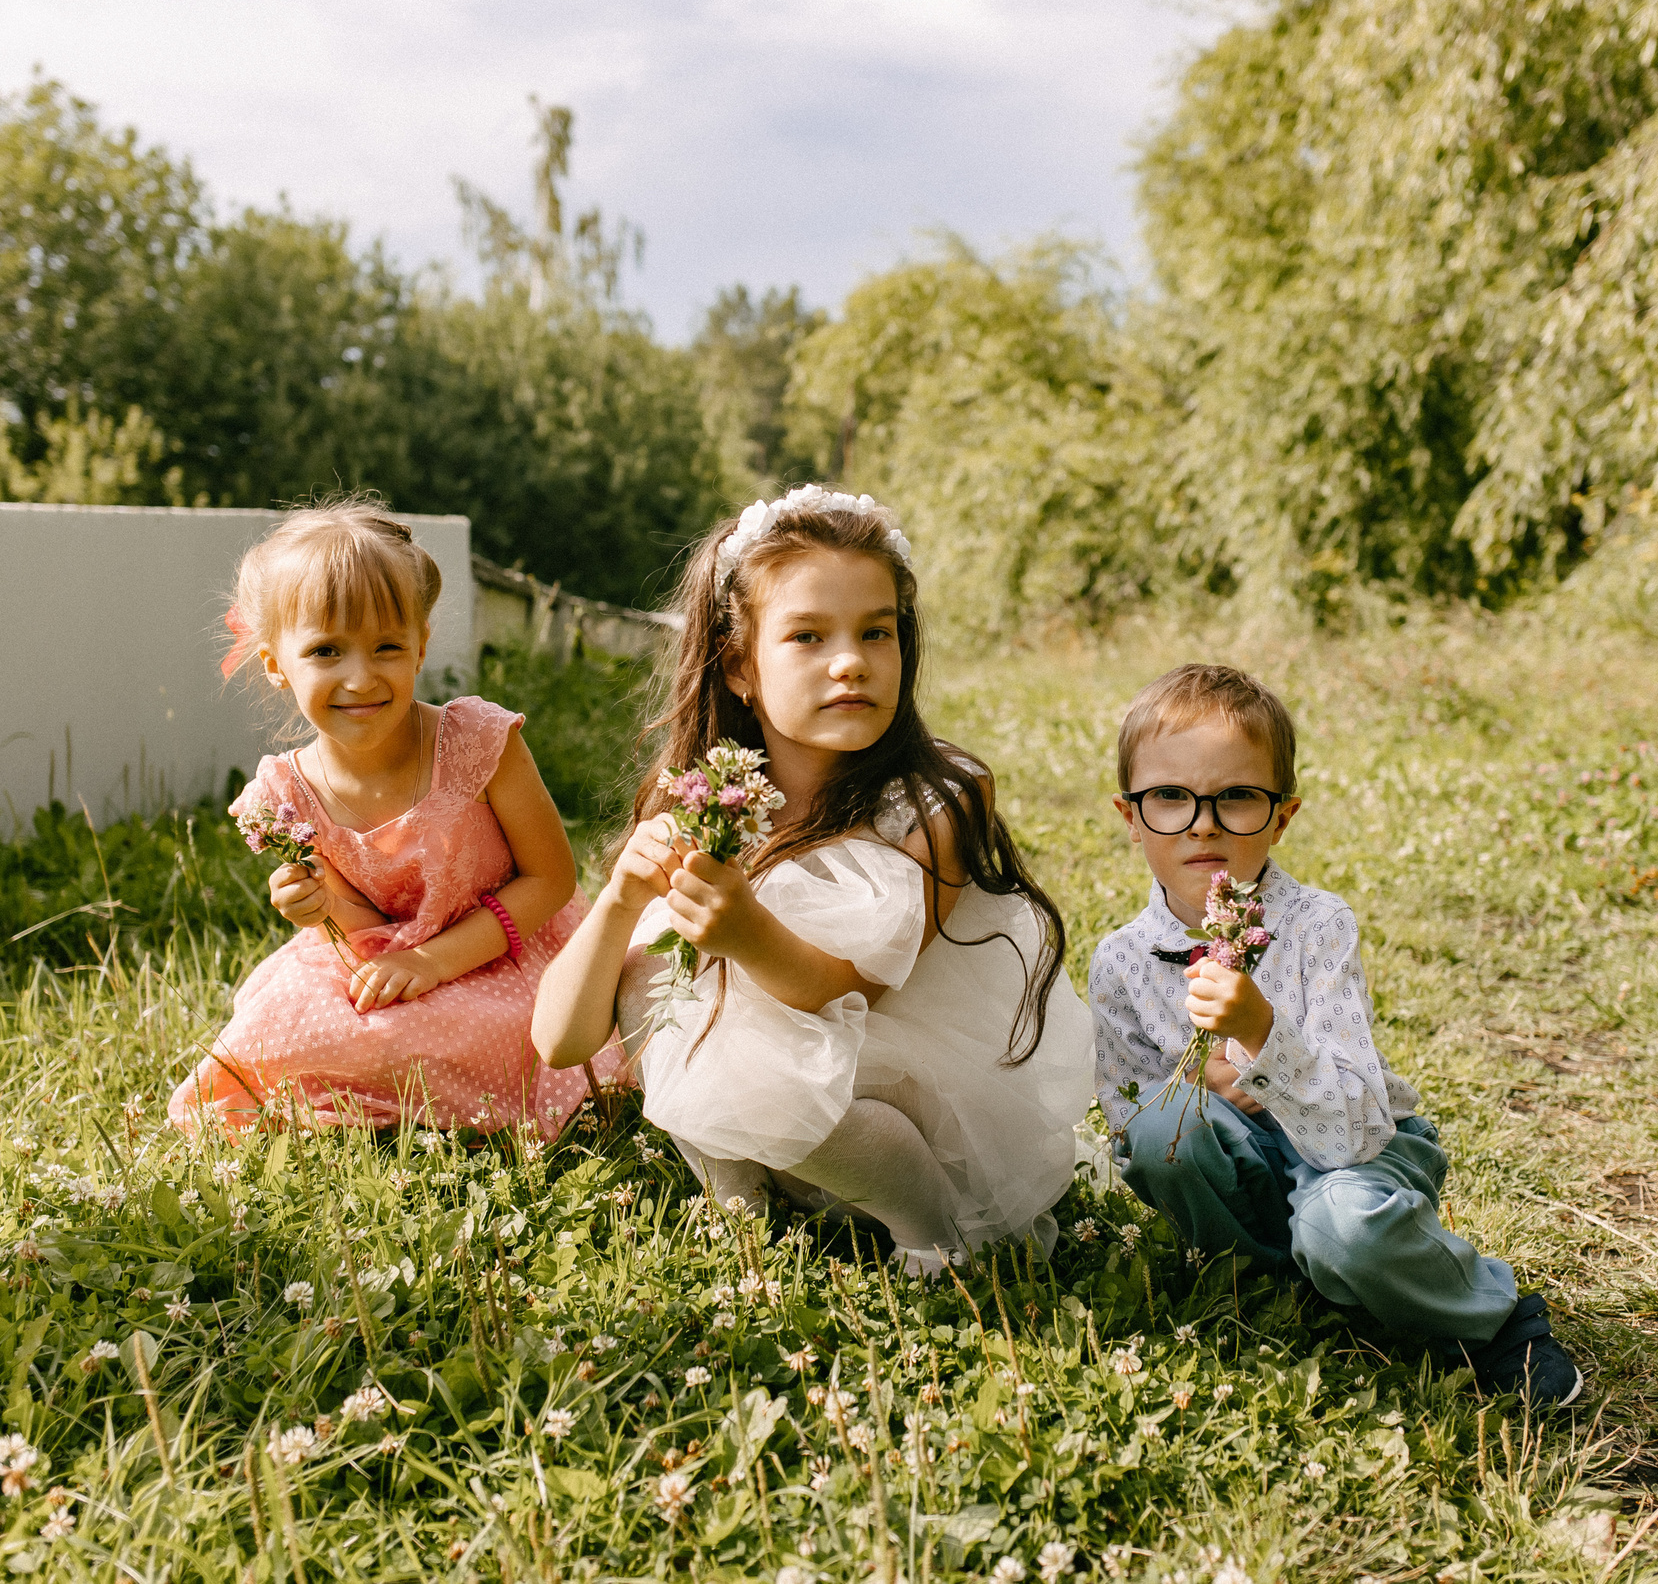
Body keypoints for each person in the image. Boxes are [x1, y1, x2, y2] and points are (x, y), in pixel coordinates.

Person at [533, 486, 1093, 1273]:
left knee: (758, 1049)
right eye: (807, 635)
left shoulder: (935, 803)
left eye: (877, 632)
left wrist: (743, 931)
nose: (850, 662)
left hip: (891, 1114)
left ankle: (932, 1234)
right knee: (647, 978)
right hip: (785, 1124)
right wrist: (624, 899)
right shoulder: (704, 801)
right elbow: (560, 1041)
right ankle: (743, 1207)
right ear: (738, 665)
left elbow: (849, 991)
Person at [1092, 664, 1582, 1406]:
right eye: (1169, 796)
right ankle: (1281, 1279)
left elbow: (1354, 1129)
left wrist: (1261, 1034)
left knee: (1344, 1226)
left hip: (1357, 1149)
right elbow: (1127, 1115)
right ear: (1130, 816)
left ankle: (1494, 1322)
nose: (1203, 821)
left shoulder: (1318, 925)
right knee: (1162, 1129)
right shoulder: (1122, 959)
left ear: (1281, 815)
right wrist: (1195, 1085)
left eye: (1236, 796)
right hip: (1242, 1170)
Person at [168, 498, 623, 1135]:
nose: (361, 677)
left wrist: (433, 963)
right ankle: (379, 1093)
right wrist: (318, 901)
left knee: (477, 1029)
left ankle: (416, 1095)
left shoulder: (476, 743)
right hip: (379, 963)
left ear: (419, 647)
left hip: (499, 949)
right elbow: (363, 931)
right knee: (279, 1033)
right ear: (275, 664)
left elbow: (550, 881)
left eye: (386, 646)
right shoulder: (285, 795)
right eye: (327, 652)